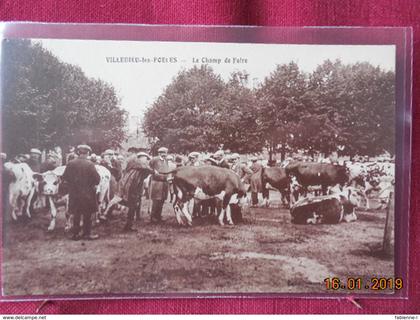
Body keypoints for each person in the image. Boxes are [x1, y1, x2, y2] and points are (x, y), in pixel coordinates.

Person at [62, 144, 100, 240]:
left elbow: (65, 178)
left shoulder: (71, 163)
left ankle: (75, 234)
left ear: (78, 152)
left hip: (74, 194)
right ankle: (86, 234)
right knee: (87, 215)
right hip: (88, 194)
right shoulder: (90, 164)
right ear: (88, 153)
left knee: (76, 214)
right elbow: (97, 179)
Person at [116, 151, 151, 231]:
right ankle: (128, 226)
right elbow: (147, 169)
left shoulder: (137, 166)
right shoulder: (137, 164)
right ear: (141, 158)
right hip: (130, 188)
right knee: (131, 206)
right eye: (145, 158)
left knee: (132, 206)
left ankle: (129, 225)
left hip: (133, 188)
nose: (146, 160)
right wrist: (154, 171)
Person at [149, 147, 170, 224]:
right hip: (157, 183)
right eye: (163, 153)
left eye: (165, 153)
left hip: (165, 182)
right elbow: (150, 168)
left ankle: (158, 216)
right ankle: (153, 217)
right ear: (159, 153)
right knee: (156, 200)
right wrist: (154, 172)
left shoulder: (166, 160)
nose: (164, 154)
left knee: (162, 200)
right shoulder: (155, 159)